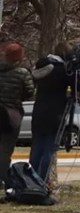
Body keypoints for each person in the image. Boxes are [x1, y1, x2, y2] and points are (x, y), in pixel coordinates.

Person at [29, 43, 80, 183]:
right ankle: (42, 183)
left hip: (38, 113)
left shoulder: (40, 66)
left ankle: (30, 182)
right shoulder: (61, 70)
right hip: (55, 114)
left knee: (36, 149)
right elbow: (77, 85)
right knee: (49, 150)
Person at [0, 42, 35, 179]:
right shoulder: (22, 73)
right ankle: (2, 178)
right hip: (11, 113)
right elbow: (29, 91)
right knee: (6, 149)